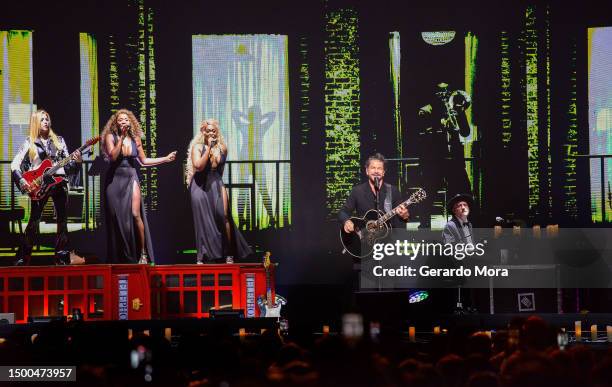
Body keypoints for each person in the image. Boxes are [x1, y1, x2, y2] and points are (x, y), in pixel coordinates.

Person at [102, 109, 177, 264]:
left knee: (136, 214)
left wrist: (165, 159)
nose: (123, 122)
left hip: (131, 176)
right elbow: (112, 156)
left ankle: (142, 253)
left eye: (126, 119)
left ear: (130, 122)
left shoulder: (136, 139)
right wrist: (121, 138)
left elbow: (143, 161)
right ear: (116, 123)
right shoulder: (111, 136)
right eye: (120, 120)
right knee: (116, 219)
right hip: (114, 179)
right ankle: (121, 256)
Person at [11, 109, 82, 265]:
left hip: (59, 183)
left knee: (62, 222)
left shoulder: (59, 141)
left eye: (48, 119)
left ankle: (61, 258)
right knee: (34, 221)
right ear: (36, 122)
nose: (46, 121)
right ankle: (23, 258)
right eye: (42, 119)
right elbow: (14, 164)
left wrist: (76, 162)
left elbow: (68, 167)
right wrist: (23, 181)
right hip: (40, 185)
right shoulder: (29, 142)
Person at [185, 119, 252, 264]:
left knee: (223, 215)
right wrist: (208, 148)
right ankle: (201, 256)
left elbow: (220, 169)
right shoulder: (197, 147)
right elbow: (199, 166)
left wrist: (218, 184)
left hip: (215, 181)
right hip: (199, 184)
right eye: (207, 131)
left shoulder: (222, 148)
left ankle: (229, 253)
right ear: (203, 132)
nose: (210, 133)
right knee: (202, 220)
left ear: (217, 132)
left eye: (213, 131)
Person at [416, 82, 472, 229]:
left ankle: (462, 222)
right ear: (434, 94)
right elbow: (423, 133)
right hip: (435, 159)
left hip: (454, 158)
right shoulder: (426, 110)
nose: (444, 96)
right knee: (429, 191)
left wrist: (460, 114)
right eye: (440, 93)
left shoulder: (456, 109)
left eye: (446, 93)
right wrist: (439, 123)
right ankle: (424, 224)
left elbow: (465, 132)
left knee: (462, 189)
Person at [339, 153, 410, 232]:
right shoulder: (357, 191)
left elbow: (402, 219)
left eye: (379, 168)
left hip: (387, 240)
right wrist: (347, 221)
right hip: (363, 239)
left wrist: (404, 216)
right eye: (373, 168)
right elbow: (343, 211)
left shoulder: (393, 191)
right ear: (367, 171)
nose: (376, 171)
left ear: (383, 172)